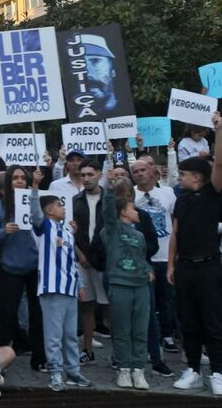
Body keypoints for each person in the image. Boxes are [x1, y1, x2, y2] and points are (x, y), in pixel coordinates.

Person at [168, 113, 222, 394]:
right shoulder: (181, 200)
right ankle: (192, 370)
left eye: (184, 174)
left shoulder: (213, 193)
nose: (180, 177)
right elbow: (175, 234)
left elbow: (220, 164)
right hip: (185, 268)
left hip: (209, 266)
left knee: (212, 321)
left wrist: (219, 129)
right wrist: (170, 265)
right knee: (188, 322)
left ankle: (218, 372)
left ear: (198, 177)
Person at [27, 168, 92, 392]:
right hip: (51, 288)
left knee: (70, 334)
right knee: (53, 335)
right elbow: (34, 213)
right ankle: (55, 372)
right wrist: (35, 187)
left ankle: (73, 371)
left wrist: (81, 285)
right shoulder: (44, 228)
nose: (64, 207)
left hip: (70, 289)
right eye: (60, 205)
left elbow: (71, 260)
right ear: (49, 211)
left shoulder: (67, 232)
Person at [0, 165, 44, 371]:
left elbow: (42, 224)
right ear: (8, 183)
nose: (19, 181)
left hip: (35, 267)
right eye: (15, 178)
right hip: (10, 267)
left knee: (37, 314)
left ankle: (40, 359)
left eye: (22, 178)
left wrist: (36, 187)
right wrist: (4, 231)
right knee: (7, 314)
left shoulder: (35, 201)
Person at [101, 179, 152, 390]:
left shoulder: (139, 235)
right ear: (123, 212)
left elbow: (141, 257)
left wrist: (148, 270)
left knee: (140, 330)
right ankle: (124, 369)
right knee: (122, 330)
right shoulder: (112, 231)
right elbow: (107, 212)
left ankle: (138, 370)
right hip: (120, 285)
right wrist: (111, 189)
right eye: (132, 208)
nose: (137, 211)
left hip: (140, 287)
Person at [132, 157, 179, 357]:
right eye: (136, 171)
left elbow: (177, 220)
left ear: (152, 171)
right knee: (147, 303)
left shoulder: (167, 193)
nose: (140, 173)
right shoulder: (130, 195)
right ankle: (151, 340)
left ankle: (167, 335)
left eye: (144, 169)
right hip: (142, 258)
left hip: (166, 254)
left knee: (168, 299)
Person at [72, 159, 110, 364]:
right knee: (86, 305)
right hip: (83, 259)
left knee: (109, 307)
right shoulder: (75, 201)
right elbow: (71, 232)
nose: (86, 178)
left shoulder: (110, 199)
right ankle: (87, 349)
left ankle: (118, 353)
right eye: (83, 175)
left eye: (90, 174)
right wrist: (79, 254)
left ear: (99, 174)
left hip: (104, 260)